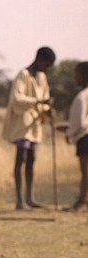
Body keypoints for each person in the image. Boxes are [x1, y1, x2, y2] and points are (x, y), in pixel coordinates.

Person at [2, 46, 56, 210]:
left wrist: (48, 110)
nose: (46, 69)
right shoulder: (23, 74)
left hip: (35, 124)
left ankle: (30, 198)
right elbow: (16, 99)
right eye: (46, 65)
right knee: (21, 158)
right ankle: (20, 200)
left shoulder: (42, 77)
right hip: (23, 123)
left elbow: (45, 99)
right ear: (39, 59)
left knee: (32, 159)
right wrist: (38, 102)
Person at [55, 61, 88, 211]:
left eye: (77, 74)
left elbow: (80, 123)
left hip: (84, 138)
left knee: (85, 171)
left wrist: (69, 132)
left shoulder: (82, 97)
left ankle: (82, 201)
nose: (75, 77)